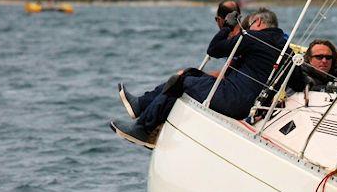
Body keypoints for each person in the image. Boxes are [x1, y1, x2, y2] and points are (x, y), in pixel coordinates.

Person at [111, 8, 286, 147]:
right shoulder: (286, 49)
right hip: (247, 102)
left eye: (249, 25)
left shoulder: (255, 38)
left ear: (259, 22)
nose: (246, 29)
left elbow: (214, 49)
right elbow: (297, 81)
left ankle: (143, 129)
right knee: (190, 73)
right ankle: (141, 106)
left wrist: (227, 27)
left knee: (181, 81)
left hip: (233, 98)